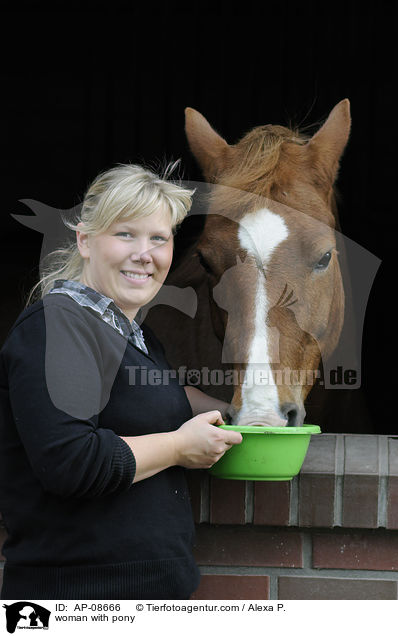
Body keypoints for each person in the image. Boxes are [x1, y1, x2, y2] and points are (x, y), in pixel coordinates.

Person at [0, 163, 242, 600]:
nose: (144, 253)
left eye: (159, 238)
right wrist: (177, 447)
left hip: (152, 594)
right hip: (76, 597)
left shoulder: (135, 334)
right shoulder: (56, 326)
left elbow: (148, 395)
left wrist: (234, 410)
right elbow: (72, 461)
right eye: (125, 234)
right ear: (85, 240)